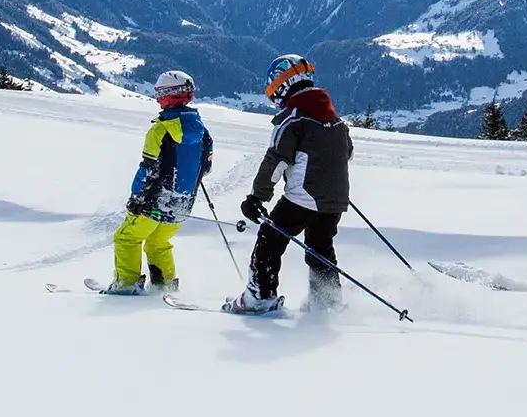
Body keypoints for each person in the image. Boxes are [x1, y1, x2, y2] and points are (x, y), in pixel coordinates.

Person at [225, 53, 355, 315]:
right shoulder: (334, 118)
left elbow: (275, 160)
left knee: (269, 239)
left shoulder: (293, 118)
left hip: (303, 197)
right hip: (335, 201)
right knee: (320, 246)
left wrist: (256, 198)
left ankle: (259, 297)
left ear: (283, 84)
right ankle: (327, 301)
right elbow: (346, 153)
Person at [97, 69, 213, 295]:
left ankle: (126, 285)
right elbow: (205, 167)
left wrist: (136, 198)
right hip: (182, 204)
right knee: (158, 243)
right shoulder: (203, 132)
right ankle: (165, 286)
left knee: (126, 237)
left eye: (160, 94)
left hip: (153, 202)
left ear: (167, 96)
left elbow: (148, 169)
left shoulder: (159, 130)